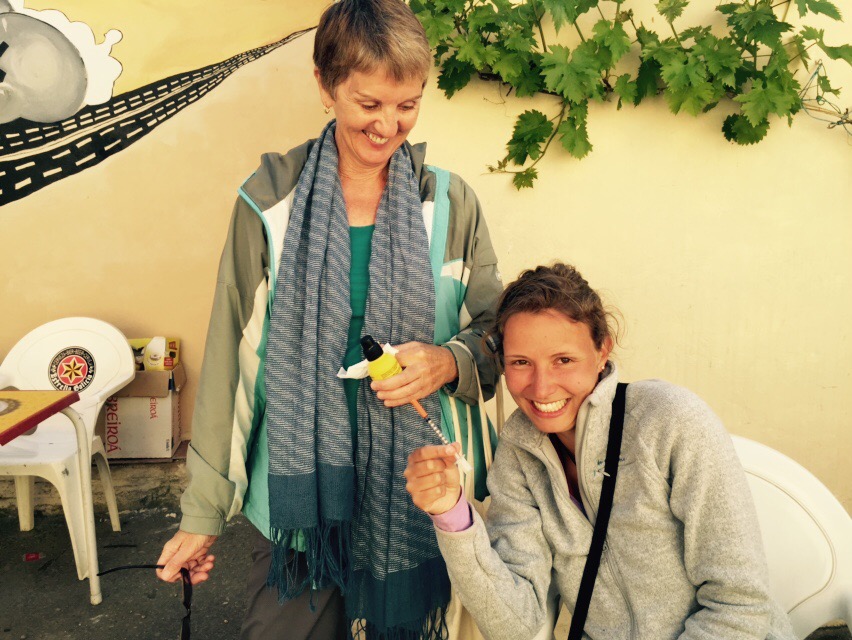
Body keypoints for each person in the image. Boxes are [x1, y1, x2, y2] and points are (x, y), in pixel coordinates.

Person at [155, 1, 503, 639]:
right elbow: (234, 360)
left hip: (422, 486)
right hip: (303, 494)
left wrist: (446, 361)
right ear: (325, 85)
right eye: (369, 104)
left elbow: (495, 333)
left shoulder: (452, 203)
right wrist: (203, 515)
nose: (388, 125)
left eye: (408, 105)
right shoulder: (270, 206)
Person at [405, 263, 797, 640]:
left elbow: (739, 604)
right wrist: (450, 512)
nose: (542, 388)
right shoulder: (518, 453)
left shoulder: (672, 421)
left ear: (602, 350)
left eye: (563, 360)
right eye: (521, 362)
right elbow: (514, 625)